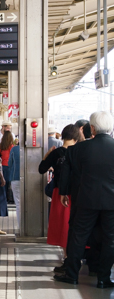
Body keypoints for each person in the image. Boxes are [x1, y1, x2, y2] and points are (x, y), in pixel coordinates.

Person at [54, 111, 114, 288]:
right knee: (110, 239)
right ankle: (104, 278)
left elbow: (67, 172)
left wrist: (64, 192)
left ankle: (72, 275)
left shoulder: (77, 149)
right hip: (112, 202)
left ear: (92, 128)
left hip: (86, 199)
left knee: (78, 236)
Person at [40, 124, 80, 256]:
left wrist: (47, 155)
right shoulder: (79, 152)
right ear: (76, 137)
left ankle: (66, 255)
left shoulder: (55, 153)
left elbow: (41, 169)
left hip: (59, 192)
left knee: (63, 225)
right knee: (78, 224)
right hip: (77, 192)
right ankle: (75, 255)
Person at [0, 131, 15, 203]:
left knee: (3, 183)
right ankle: (9, 198)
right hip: (9, 166)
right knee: (9, 183)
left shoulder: (1, 146)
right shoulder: (11, 146)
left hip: (2, 166)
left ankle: (3, 198)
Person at [9, 139, 22, 230]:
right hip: (30, 180)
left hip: (15, 178)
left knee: (18, 203)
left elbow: (10, 163)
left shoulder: (14, 149)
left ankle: (20, 226)